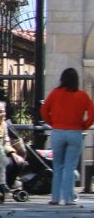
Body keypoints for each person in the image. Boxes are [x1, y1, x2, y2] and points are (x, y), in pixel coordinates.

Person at [40, 68, 94, 206]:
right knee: (69, 167)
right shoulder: (82, 96)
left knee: (57, 166)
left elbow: (44, 110)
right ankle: (69, 198)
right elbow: (92, 113)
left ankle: (55, 198)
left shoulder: (55, 94)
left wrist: (52, 122)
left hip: (58, 131)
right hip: (75, 132)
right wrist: (84, 125)